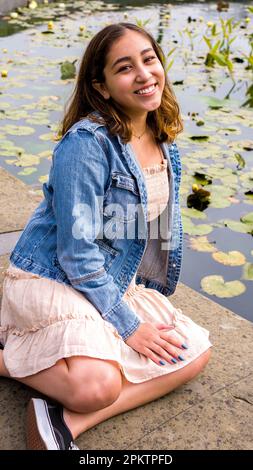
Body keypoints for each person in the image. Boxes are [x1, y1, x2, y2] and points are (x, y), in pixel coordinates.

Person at [0, 23, 212, 450]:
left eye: (149, 59)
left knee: (193, 352)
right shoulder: (87, 143)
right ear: (101, 86)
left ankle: (63, 420)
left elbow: (144, 234)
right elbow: (76, 253)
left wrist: (140, 303)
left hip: (112, 278)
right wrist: (128, 326)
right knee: (97, 384)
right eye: (125, 68)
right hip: (54, 277)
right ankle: (8, 356)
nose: (144, 74)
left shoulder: (164, 139)